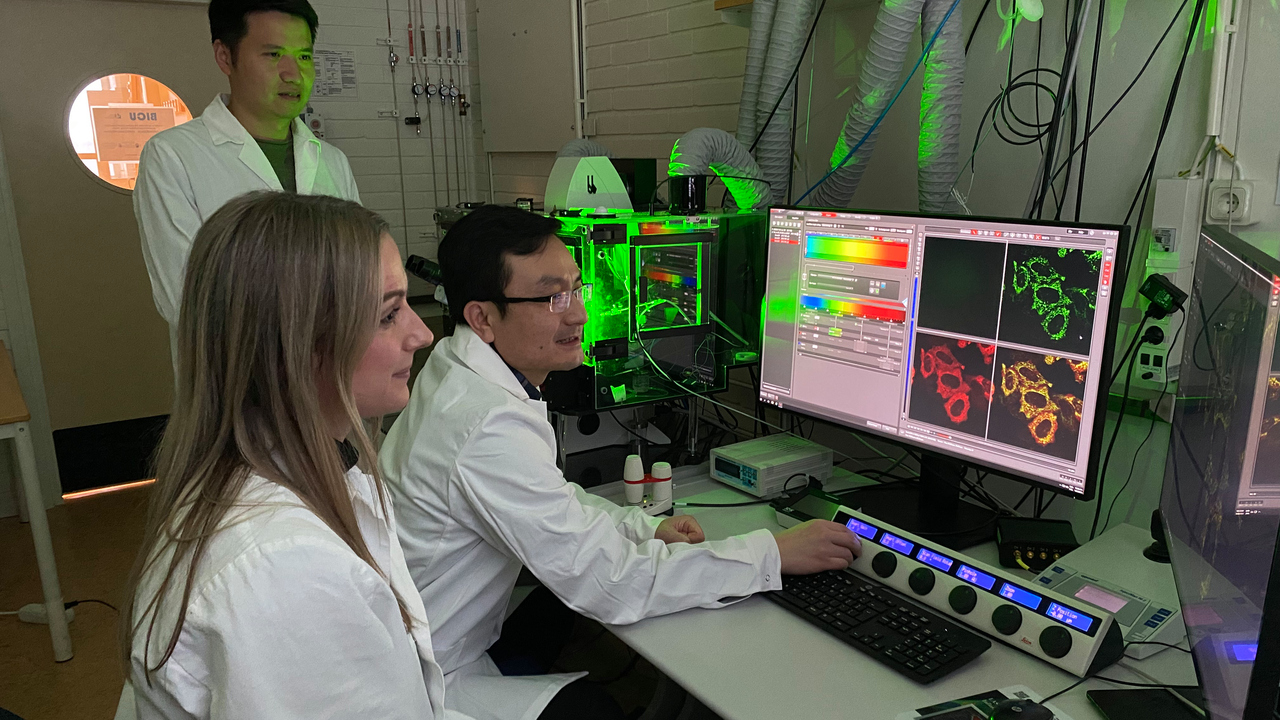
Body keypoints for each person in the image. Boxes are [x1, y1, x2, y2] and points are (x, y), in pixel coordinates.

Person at [379, 205, 863, 720]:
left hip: (435, 629)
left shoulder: (458, 370)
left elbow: (556, 501)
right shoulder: (485, 425)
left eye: (578, 286)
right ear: (483, 317)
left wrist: (642, 528)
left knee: (562, 604)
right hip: (427, 675)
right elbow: (610, 585)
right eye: (551, 297)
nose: (580, 314)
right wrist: (770, 554)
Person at [122, 192, 454, 719]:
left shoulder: (278, 471)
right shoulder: (285, 566)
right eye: (389, 314)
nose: (421, 333)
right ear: (299, 347)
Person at [134, 0, 360, 362]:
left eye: (304, 56)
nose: (293, 74)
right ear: (225, 57)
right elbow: (184, 296)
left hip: (331, 376)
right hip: (236, 385)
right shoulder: (173, 156)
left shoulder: (331, 161)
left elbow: (358, 271)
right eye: (273, 55)